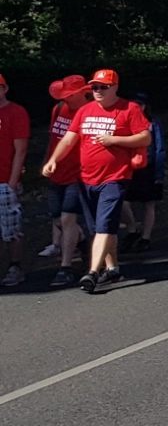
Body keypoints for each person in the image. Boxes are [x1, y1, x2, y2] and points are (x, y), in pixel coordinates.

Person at [42, 68, 150, 293]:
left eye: (103, 87)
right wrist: (53, 160)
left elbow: (145, 136)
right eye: (95, 87)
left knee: (103, 226)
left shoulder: (128, 109)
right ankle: (113, 267)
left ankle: (92, 272)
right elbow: (70, 138)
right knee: (100, 228)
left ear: (115, 87)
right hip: (86, 178)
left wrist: (114, 139)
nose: (98, 91)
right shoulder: (86, 110)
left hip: (115, 177)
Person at [39, 75, 87, 283]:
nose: (65, 98)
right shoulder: (58, 109)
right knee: (58, 220)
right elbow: (53, 139)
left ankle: (65, 267)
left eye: (69, 95)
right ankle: (82, 239)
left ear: (80, 92)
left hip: (78, 174)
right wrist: (47, 162)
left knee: (68, 218)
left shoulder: (89, 112)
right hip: (56, 171)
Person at [119, 90, 165, 256]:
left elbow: (159, 147)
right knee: (123, 201)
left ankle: (146, 237)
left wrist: (159, 173)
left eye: (141, 104)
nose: (137, 107)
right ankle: (132, 230)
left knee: (149, 203)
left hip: (149, 166)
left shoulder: (153, 122)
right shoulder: (125, 120)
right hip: (130, 166)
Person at [0, 72, 27, 287]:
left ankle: (15, 265)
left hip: (4, 179)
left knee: (11, 226)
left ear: (4, 88)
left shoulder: (15, 112)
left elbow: (20, 150)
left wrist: (12, 181)